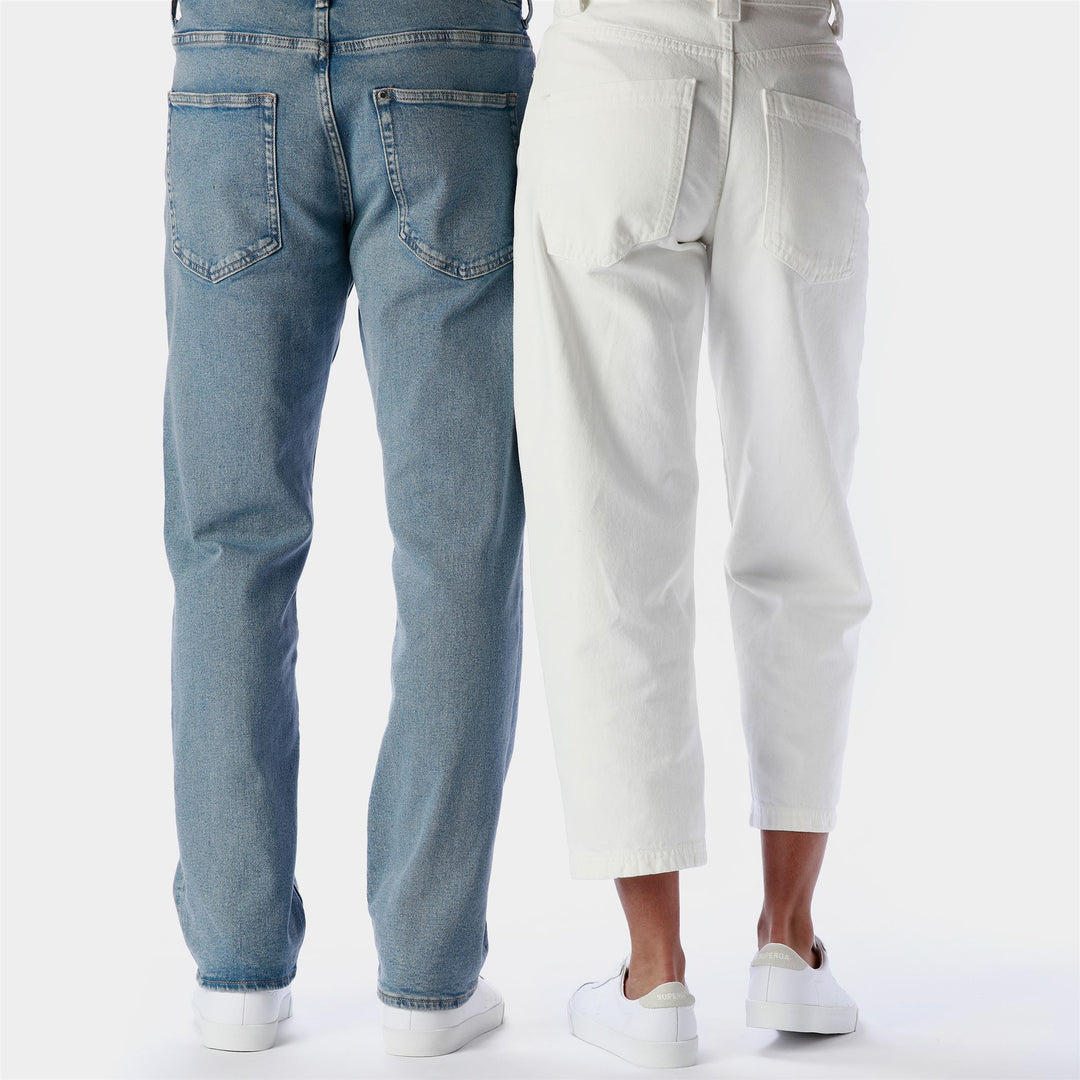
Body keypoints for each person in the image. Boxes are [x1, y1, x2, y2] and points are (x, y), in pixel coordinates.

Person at [161, 0, 534, 1055]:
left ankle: (235, 972)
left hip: (235, 53)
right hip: (444, 48)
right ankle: (429, 979)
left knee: (229, 545)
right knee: (458, 540)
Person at [513, 0, 871, 1067]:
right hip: (794, 70)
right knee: (805, 524)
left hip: (614, 67)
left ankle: (654, 972)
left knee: (609, 535)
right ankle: (789, 940)